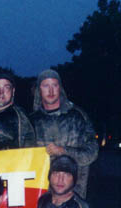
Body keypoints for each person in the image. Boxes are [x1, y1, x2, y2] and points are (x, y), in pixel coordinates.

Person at [30, 69, 98, 198]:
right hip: (43, 196)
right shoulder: (32, 121)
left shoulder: (78, 117)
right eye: (46, 86)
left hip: (74, 195)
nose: (51, 91)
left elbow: (92, 152)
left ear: (60, 88)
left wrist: (64, 151)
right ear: (39, 90)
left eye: (54, 85)